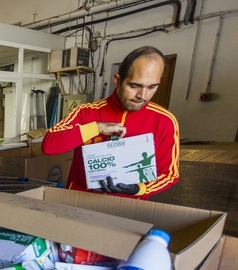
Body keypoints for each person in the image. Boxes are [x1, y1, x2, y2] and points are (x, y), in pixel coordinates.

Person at [41, 46, 179, 199]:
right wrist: (96, 127)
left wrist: (138, 189)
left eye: (152, 87)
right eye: (134, 86)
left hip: (129, 210)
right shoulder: (86, 112)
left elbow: (169, 174)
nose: (142, 95)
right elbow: (49, 146)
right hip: (80, 203)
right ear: (117, 80)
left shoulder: (165, 121)